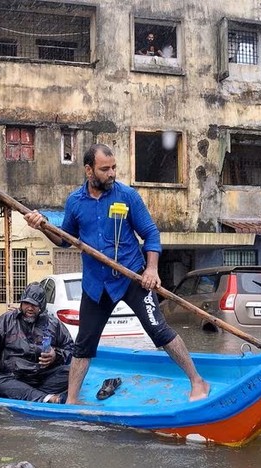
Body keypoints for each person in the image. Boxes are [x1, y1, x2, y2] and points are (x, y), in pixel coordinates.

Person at [24, 143, 210, 404]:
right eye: (105, 169)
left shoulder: (127, 196)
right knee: (84, 345)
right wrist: (42, 226)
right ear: (89, 170)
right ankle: (72, 400)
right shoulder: (75, 202)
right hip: (96, 285)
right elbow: (64, 239)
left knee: (159, 331)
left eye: (113, 168)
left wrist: (152, 269)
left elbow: (150, 234)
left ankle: (198, 381)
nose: (111, 174)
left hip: (132, 277)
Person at [0, 282, 73, 403]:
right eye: (26, 303)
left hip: (42, 377)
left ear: (41, 306)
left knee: (72, 372)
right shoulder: (6, 320)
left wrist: (56, 355)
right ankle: (45, 397)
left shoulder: (54, 324)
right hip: (13, 377)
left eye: (34, 305)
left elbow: (71, 350)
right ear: (21, 303)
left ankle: (31, 394)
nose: (29, 308)